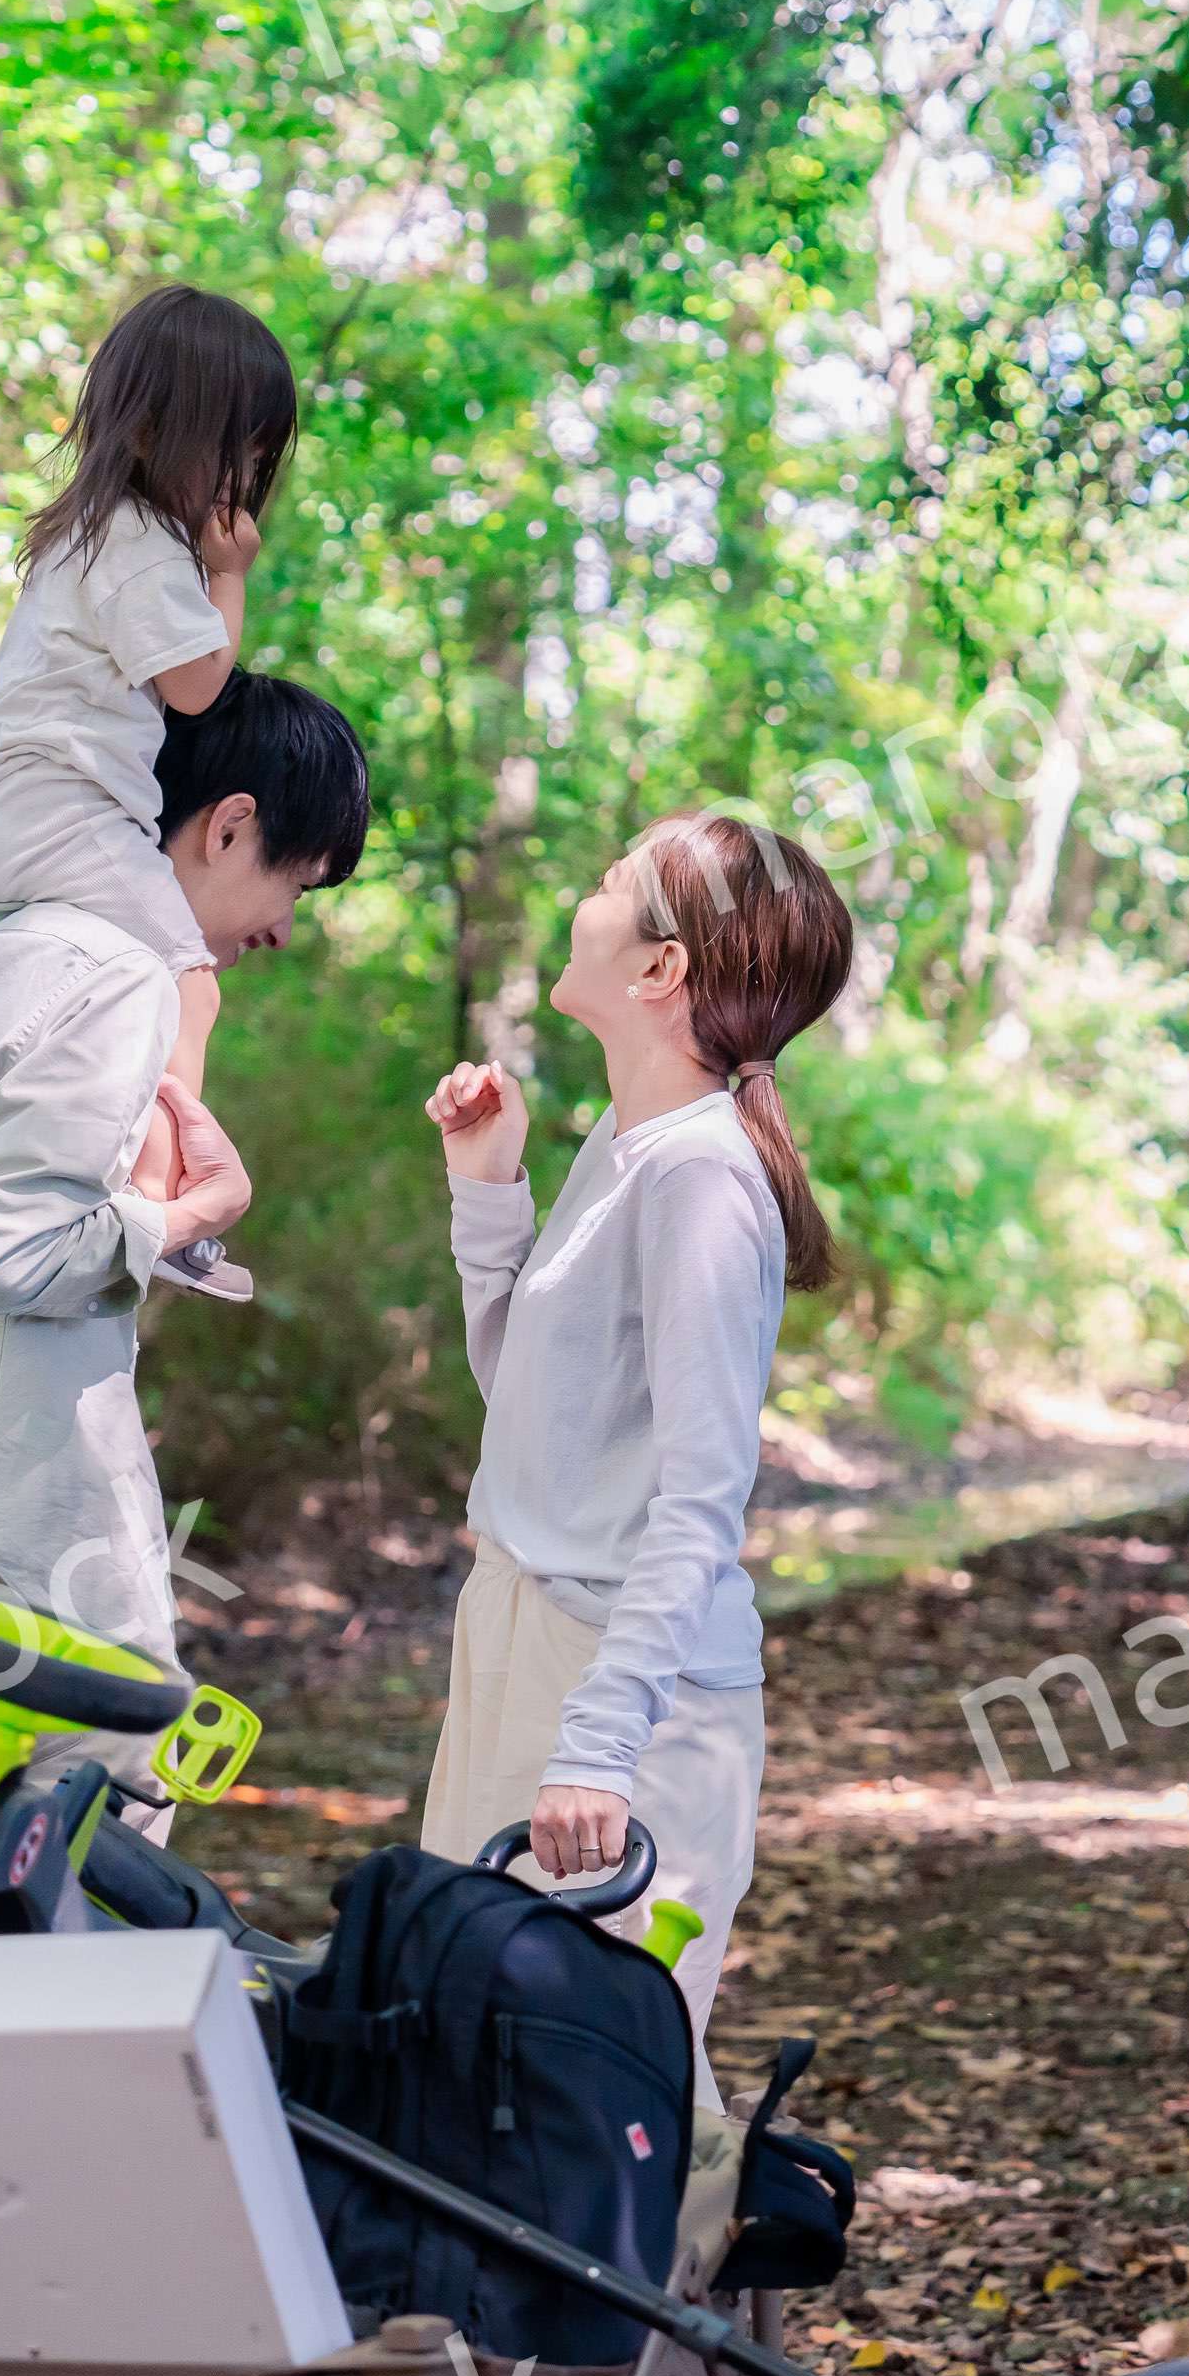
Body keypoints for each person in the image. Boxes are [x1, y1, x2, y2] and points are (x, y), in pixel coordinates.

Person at [0, 675, 371, 1936]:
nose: (284, 926)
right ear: (227, 824)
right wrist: (189, 1217)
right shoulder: (110, 972)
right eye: (297, 884)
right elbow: (15, 1259)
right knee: (54, 1996)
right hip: (9, 1591)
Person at [418, 814, 855, 2103]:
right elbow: (538, 1412)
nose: (584, 894)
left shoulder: (703, 1182)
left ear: (662, 969)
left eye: (612, 884)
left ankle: (673, 2312)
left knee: (591, 2108)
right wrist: (486, 1192)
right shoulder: (622, 1146)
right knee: (473, 2076)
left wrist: (600, 1746)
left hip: (625, 1687)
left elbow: (699, 1502)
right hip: (521, 1627)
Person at [0, 282, 300, 1201]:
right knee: (190, 981)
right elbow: (198, 689)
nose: (241, 480)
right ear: (150, 435)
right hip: (60, 814)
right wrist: (230, 576)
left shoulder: (87, 534)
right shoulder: (139, 547)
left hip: (9, 812)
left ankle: (143, 1171)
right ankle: (162, 1186)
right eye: (232, 454)